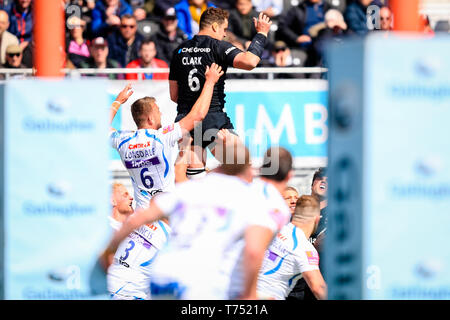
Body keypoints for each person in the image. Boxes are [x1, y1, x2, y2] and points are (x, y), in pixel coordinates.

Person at [101, 142, 282, 300]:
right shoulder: (250, 199)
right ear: (248, 170)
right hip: (197, 282)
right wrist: (249, 294)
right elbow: (253, 251)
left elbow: (137, 219)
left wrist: (108, 250)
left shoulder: (189, 189)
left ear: (220, 166)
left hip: (162, 276)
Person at [169, 7, 272, 181]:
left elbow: (174, 95)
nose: (224, 34)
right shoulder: (217, 46)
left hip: (186, 121)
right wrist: (261, 34)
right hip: (213, 119)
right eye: (224, 29)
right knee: (242, 170)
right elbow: (250, 61)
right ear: (215, 27)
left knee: (194, 182)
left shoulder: (179, 51)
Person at [109, 63, 224, 211]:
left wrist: (118, 101)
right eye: (158, 110)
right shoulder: (162, 136)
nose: (161, 114)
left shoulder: (123, 141)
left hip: (143, 217)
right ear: (150, 118)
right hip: (165, 213)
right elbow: (198, 115)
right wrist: (210, 82)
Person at [226, 146, 293, 299]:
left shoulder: (243, 188)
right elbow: (254, 251)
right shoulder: (277, 206)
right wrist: (250, 296)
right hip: (229, 284)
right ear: (290, 175)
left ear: (262, 168)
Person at [257, 195, 327, 300]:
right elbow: (318, 288)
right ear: (317, 218)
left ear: (295, 214)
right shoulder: (305, 249)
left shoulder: (276, 230)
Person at [287, 166, 328, 300]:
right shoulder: (294, 207)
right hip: (295, 284)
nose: (324, 181)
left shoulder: (336, 214)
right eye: (320, 178)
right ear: (312, 184)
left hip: (320, 278)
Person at [276, 0, 332, 67]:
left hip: (324, 43)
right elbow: (283, 26)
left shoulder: (329, 8)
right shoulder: (299, 8)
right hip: (305, 44)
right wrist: (296, 38)